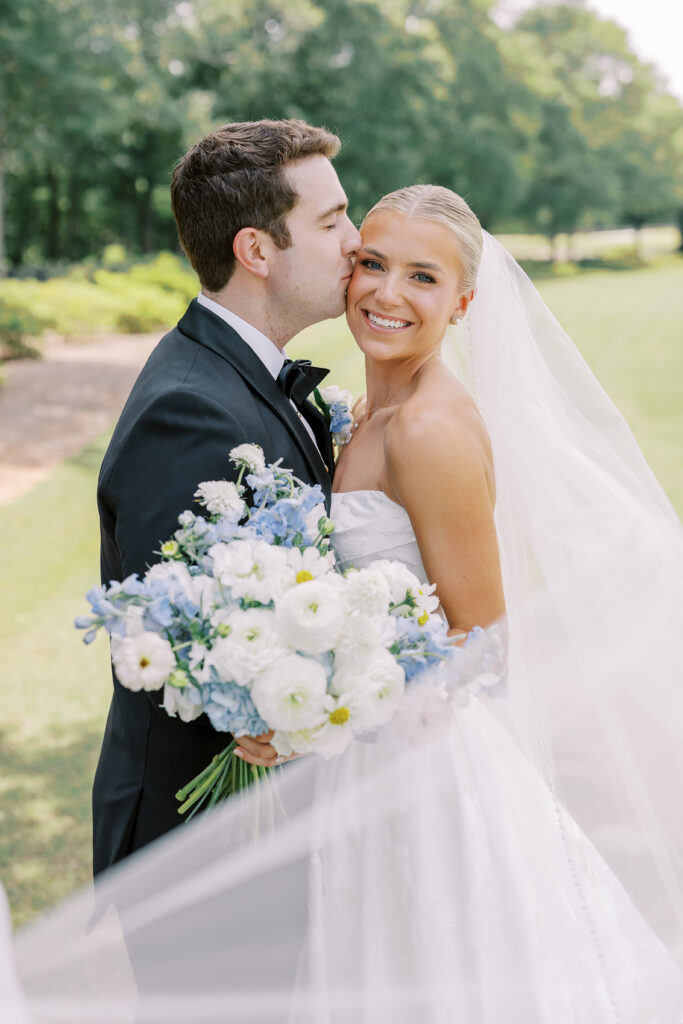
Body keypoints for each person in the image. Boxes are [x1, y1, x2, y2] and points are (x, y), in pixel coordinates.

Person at [8, 186, 683, 1022]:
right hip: (355, 783)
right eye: (371, 262)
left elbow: (483, 644)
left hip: (416, 786)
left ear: (464, 303)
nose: (386, 293)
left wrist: (325, 710)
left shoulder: (425, 431)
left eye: (422, 278)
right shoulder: (365, 415)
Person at [91, 118, 361, 875]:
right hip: (207, 838)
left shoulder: (237, 376)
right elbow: (184, 652)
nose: (356, 241)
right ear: (256, 250)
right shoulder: (190, 409)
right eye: (333, 220)